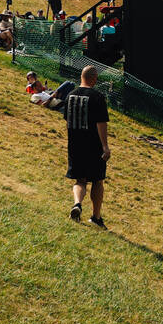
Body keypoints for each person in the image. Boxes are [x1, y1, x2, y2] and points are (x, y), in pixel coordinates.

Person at [66, 65, 111, 228]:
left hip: (75, 145)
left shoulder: (70, 95)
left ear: (81, 76)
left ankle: (77, 204)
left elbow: (68, 119)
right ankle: (96, 217)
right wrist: (105, 146)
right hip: (93, 146)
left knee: (80, 180)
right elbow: (101, 123)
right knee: (98, 181)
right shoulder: (97, 96)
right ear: (94, 79)